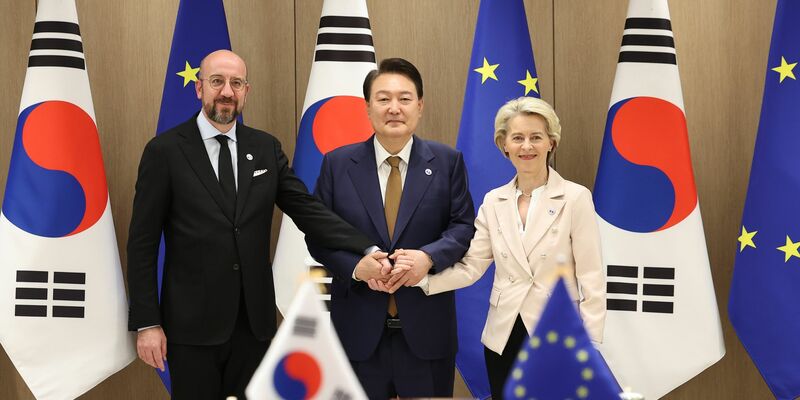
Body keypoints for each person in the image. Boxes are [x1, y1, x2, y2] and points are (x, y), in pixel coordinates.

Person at [126, 50, 384, 400]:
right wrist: (147, 323)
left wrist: (365, 247)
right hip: (190, 329)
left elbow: (306, 209)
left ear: (246, 91)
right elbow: (142, 243)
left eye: (236, 83)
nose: (227, 92)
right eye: (217, 81)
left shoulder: (264, 148)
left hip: (254, 325)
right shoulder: (165, 151)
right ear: (199, 88)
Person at [410, 97, 606, 399]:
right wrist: (421, 278)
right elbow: (471, 266)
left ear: (551, 143)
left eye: (536, 137)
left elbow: (591, 275)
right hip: (503, 334)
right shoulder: (493, 201)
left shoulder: (575, 198)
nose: (526, 146)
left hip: (557, 332)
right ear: (504, 145)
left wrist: (589, 342)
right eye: (517, 138)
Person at [305, 58, 475, 398]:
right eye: (383, 99)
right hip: (357, 333)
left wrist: (428, 257)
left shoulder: (447, 161)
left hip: (427, 332)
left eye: (404, 98)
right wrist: (355, 267)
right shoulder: (338, 165)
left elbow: (462, 227)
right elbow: (318, 235)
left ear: (420, 106)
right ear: (368, 108)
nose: (394, 108)